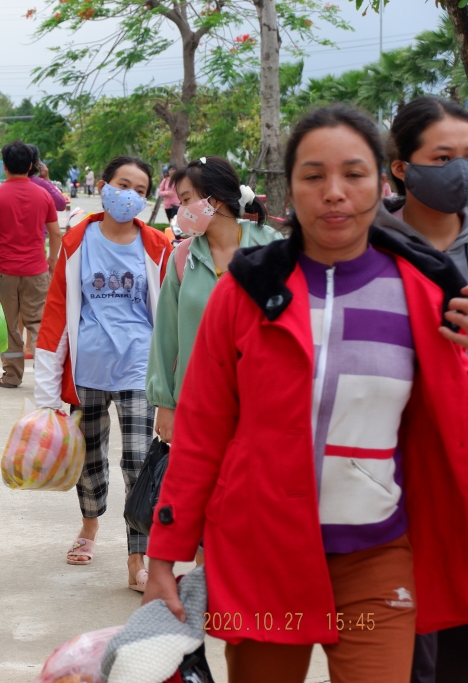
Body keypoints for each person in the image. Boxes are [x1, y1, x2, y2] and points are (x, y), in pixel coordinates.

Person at [142, 105, 468, 683]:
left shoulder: (428, 294)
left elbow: (450, 429)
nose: (335, 192)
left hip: (377, 563)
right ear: (289, 188)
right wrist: (166, 548)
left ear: (383, 181)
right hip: (263, 559)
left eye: (354, 174)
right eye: (314, 176)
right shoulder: (246, 290)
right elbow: (203, 431)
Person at [34, 156, 172, 586]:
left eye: (140, 189)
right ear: (104, 184)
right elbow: (57, 312)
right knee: (89, 462)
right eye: (122, 184)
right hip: (87, 371)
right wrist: (45, 391)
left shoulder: (157, 246)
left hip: (137, 370)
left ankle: (137, 558)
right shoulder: (78, 241)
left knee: (136, 465)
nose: (129, 194)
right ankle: (90, 526)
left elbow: (169, 318)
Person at [374, 95, 468, 683]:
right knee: (398, 648)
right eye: (444, 156)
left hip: (461, 475)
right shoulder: (363, 245)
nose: (458, 169)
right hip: (386, 474)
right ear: (403, 168)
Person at [147, 156, 279, 448]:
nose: (181, 210)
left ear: (215, 199)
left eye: (186, 199)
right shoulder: (182, 257)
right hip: (197, 406)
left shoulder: (268, 246)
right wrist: (165, 404)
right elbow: (166, 336)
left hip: (259, 404)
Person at [0, 140, 60, 389]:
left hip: (4, 271)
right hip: (37, 271)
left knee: (9, 325)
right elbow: (56, 234)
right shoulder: (44, 195)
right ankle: (47, 376)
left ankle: (12, 376)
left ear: (5, 167)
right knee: (38, 324)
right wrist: (52, 263)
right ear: (32, 165)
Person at [28, 144, 68, 212]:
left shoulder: (6, 185)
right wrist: (47, 179)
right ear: (37, 162)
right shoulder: (41, 183)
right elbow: (61, 205)